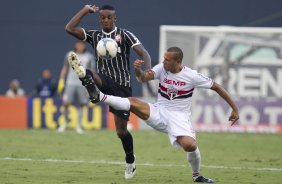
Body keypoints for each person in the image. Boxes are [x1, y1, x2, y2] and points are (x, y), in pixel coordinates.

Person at [68, 47, 239, 183]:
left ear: (178, 61)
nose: (163, 61)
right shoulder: (161, 69)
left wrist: (234, 108)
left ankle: (197, 175)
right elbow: (143, 78)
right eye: (164, 58)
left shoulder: (192, 76)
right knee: (133, 101)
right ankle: (99, 96)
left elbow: (216, 87)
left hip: (179, 117)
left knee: (190, 146)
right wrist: (138, 71)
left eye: (167, 59)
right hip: (159, 111)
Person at [65, 4, 151, 178]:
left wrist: (148, 71)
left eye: (109, 17)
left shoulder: (125, 34)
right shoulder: (95, 36)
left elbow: (144, 53)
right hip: (104, 81)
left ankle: (130, 160)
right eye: (102, 18)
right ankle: (93, 91)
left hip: (122, 86)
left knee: (121, 131)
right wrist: (84, 10)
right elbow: (69, 28)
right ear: (99, 19)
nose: (105, 20)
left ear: (114, 19)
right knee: (87, 72)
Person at [57, 41, 95, 134]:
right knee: (66, 103)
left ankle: (78, 126)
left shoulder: (89, 57)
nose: (80, 46)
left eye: (82, 44)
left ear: (84, 46)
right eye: (78, 44)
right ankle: (65, 124)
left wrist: (91, 84)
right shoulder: (70, 55)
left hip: (83, 84)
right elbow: (65, 68)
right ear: (75, 45)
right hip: (70, 83)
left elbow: (91, 71)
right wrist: (61, 80)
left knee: (82, 104)